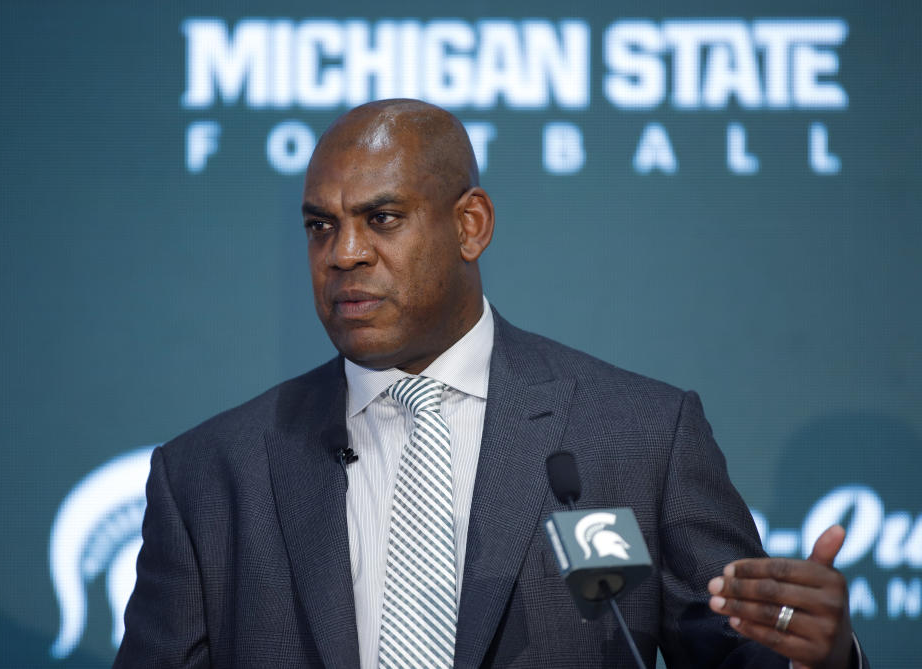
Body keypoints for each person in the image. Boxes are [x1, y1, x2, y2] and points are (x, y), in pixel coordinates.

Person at [115, 99, 867, 668]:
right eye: (320, 226)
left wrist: (818, 658)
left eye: (382, 218)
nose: (343, 253)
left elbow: (741, 656)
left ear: (471, 224)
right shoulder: (209, 477)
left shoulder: (639, 437)